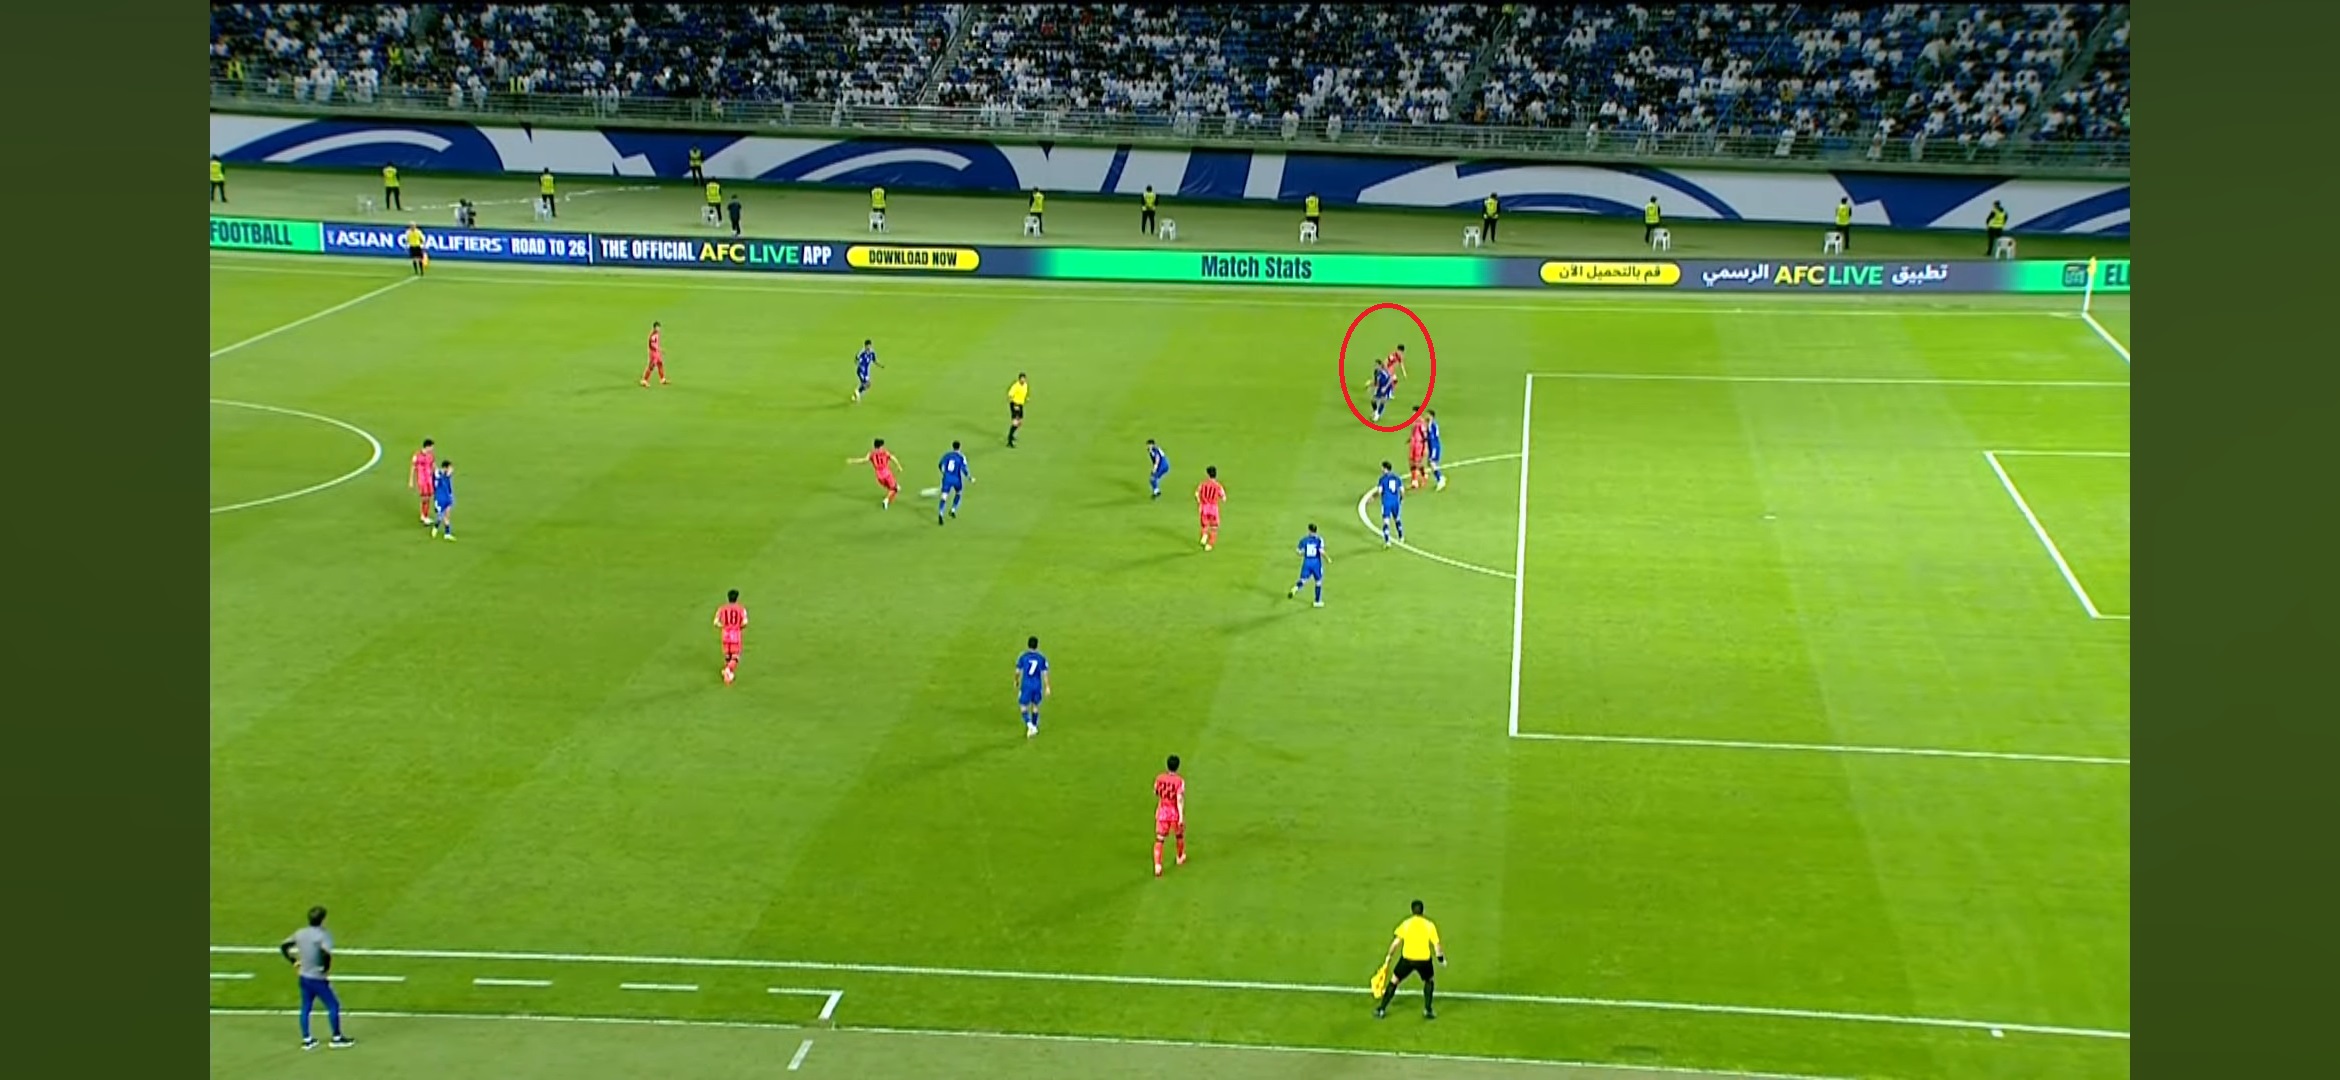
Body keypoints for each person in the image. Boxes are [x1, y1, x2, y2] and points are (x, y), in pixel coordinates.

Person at [279, 906, 355, 1050]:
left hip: (304, 976)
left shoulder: (300, 933)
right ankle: (336, 1037)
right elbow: (326, 954)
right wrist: (325, 969)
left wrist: (294, 961)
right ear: (323, 920)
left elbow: (284, 946)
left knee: (306, 1007)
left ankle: (307, 1039)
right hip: (318, 978)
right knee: (333, 1005)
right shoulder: (323, 935)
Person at [1374, 900, 1446, 1020]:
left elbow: (1396, 943)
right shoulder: (1429, 925)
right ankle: (1428, 1010)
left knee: (1394, 981)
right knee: (1429, 981)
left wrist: (1389, 956)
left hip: (1407, 959)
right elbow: (1437, 945)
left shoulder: (1406, 924)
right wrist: (1441, 959)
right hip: (1424, 960)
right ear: (1423, 911)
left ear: (1412, 910)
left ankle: (1381, 1009)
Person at [1153, 755, 1186, 877]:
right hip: (1174, 812)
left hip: (1162, 811)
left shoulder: (1159, 778)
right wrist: (1181, 816)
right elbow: (1179, 799)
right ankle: (1180, 857)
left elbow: (1156, 792)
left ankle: (1157, 865)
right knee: (1179, 835)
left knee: (1159, 839)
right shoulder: (1179, 781)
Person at [848, 438, 901, 508]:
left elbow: (864, 460)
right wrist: (899, 466)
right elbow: (893, 458)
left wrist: (852, 461)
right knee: (894, 489)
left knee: (892, 488)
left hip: (879, 476)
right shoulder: (885, 452)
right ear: (881, 446)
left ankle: (890, 497)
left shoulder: (871, 454)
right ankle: (886, 500)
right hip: (887, 474)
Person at [1015, 635, 1050, 737]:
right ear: (1037, 645)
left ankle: (1030, 725)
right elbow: (1045, 673)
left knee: (1023, 705)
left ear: (1028, 645)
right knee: (1035, 706)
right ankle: (1034, 727)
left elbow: (1017, 671)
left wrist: (1016, 681)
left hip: (1026, 685)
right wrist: (1047, 687)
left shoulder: (1023, 657)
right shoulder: (1041, 658)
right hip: (1037, 685)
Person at [714, 589, 748, 685]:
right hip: (735, 635)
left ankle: (728, 674)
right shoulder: (741, 609)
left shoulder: (721, 609)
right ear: (737, 598)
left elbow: (716, 623)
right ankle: (728, 670)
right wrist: (738, 627)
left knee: (728, 656)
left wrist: (724, 626)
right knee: (735, 656)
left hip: (725, 634)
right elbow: (745, 622)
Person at [1289, 524, 1327, 607]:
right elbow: (1321, 551)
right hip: (1316, 564)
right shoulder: (1319, 540)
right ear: (1316, 531)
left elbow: (1298, 551)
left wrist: (1304, 553)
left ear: (1309, 530)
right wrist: (1327, 558)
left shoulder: (1304, 540)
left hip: (1307, 562)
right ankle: (1317, 602)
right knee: (1318, 581)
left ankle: (1295, 588)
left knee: (1303, 580)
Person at [936, 440, 972, 524]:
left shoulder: (947, 455)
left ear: (953, 447)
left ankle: (941, 512)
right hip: (956, 479)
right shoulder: (961, 457)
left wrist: (943, 472)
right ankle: (953, 509)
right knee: (958, 493)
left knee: (944, 496)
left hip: (947, 478)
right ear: (960, 447)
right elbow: (964, 469)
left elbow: (940, 464)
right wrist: (969, 478)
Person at [1195, 466, 1227, 551]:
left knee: (1204, 525)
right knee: (1214, 528)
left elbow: (1197, 494)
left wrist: (1199, 501)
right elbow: (1224, 498)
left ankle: (1204, 535)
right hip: (1213, 509)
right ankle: (1209, 545)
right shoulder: (1218, 486)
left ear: (1208, 474)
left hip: (1204, 508)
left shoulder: (1203, 484)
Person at [1376, 461, 1405, 546]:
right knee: (1397, 519)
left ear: (1385, 468)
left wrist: (1373, 498)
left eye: (1382, 468)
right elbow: (1402, 491)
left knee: (1386, 522)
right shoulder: (1397, 478)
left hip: (1386, 502)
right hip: (1395, 502)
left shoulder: (1382, 479)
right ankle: (1401, 537)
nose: (1381, 469)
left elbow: (1379, 491)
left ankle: (1387, 542)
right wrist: (1401, 499)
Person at [409, 439, 436, 524]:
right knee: (425, 497)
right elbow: (413, 468)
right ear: (427, 446)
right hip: (422, 479)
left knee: (428, 497)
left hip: (429, 479)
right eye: (431, 447)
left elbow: (433, 466)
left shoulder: (431, 456)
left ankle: (424, 515)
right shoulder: (417, 455)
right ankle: (424, 516)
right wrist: (411, 480)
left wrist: (437, 476)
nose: (432, 449)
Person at [429, 460, 456, 540]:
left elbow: (449, 487)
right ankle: (436, 526)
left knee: (447, 515)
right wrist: (436, 469)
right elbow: (436, 476)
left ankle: (447, 533)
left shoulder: (448, 477)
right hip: (439, 498)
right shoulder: (438, 474)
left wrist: (451, 496)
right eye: (450, 468)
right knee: (440, 516)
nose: (452, 470)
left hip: (447, 498)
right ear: (446, 468)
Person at [1370, 353, 1398, 424]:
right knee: (1373, 400)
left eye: (1377, 365)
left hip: (1387, 388)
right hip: (1380, 387)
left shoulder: (1385, 371)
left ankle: (1378, 415)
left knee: (1383, 401)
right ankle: (1375, 412)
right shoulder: (1376, 372)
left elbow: (1391, 379)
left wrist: (1385, 388)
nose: (1375, 366)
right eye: (1375, 365)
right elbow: (1376, 382)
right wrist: (1371, 386)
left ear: (1380, 365)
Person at [1423, 410, 1446, 491]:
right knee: (1431, 464)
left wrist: (1432, 450)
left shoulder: (1433, 425)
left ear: (1431, 416)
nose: (1426, 416)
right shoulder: (1429, 424)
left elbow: (1433, 437)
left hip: (1434, 447)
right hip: (1431, 447)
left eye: (1427, 415)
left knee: (1432, 463)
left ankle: (1440, 480)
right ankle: (1440, 478)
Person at [1006, 373, 1030, 448]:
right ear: (1019, 379)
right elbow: (1010, 395)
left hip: (1020, 405)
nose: (1023, 380)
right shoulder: (1015, 386)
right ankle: (1009, 441)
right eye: (1021, 379)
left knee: (1020, 422)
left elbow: (1024, 393)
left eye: (1024, 379)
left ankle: (1012, 435)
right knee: (1015, 423)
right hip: (1015, 404)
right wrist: (1014, 405)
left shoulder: (1025, 385)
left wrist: (1026, 398)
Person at [1408, 417, 1431, 491]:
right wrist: (1410, 439)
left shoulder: (1421, 423)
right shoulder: (1414, 422)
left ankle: (1423, 476)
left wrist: (1425, 447)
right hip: (1413, 445)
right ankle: (1414, 481)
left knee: (1417, 463)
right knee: (1411, 462)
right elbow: (1413, 433)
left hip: (1419, 446)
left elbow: (1425, 437)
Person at [641, 321, 667, 387]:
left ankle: (662, 379)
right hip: (653, 353)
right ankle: (644, 381)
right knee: (651, 366)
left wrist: (659, 350)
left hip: (657, 352)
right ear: (654, 328)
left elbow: (656, 344)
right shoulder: (653, 335)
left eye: (659, 327)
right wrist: (660, 350)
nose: (658, 329)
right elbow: (652, 345)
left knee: (660, 364)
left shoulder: (657, 334)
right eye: (657, 327)